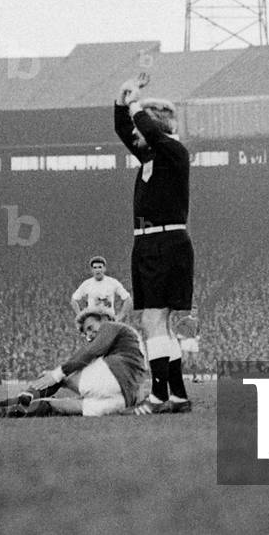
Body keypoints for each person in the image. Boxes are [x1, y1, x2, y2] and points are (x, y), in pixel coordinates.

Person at [114, 71, 194, 414]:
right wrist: (123, 99)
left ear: (156, 128)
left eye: (141, 127)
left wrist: (135, 106)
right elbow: (124, 129)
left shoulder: (173, 151)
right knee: (160, 323)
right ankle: (177, 395)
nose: (135, 135)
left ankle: (159, 396)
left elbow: (142, 129)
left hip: (165, 242)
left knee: (153, 321)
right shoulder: (151, 157)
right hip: (149, 244)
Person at [0, 305, 146, 417]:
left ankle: (10, 402)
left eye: (90, 327)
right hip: (121, 401)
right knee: (55, 406)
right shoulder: (130, 341)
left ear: (103, 318)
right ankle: (4, 410)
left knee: (56, 377)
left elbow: (90, 351)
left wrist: (55, 374)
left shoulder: (112, 326)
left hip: (113, 379)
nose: (89, 335)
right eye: (86, 333)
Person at [70, 256, 132, 322]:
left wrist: (120, 316)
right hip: (93, 321)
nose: (98, 270)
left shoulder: (113, 282)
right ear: (92, 270)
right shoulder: (87, 283)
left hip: (109, 320)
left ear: (104, 268)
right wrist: (81, 316)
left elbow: (128, 299)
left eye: (100, 267)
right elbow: (74, 300)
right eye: (95, 268)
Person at [173, 309, 202, 383]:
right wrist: (178, 335)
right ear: (190, 312)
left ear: (197, 312)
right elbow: (176, 326)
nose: (194, 312)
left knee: (194, 360)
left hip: (194, 341)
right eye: (193, 311)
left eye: (195, 311)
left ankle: (195, 378)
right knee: (185, 359)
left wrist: (198, 336)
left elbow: (198, 330)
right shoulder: (185, 319)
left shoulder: (197, 320)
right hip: (186, 340)